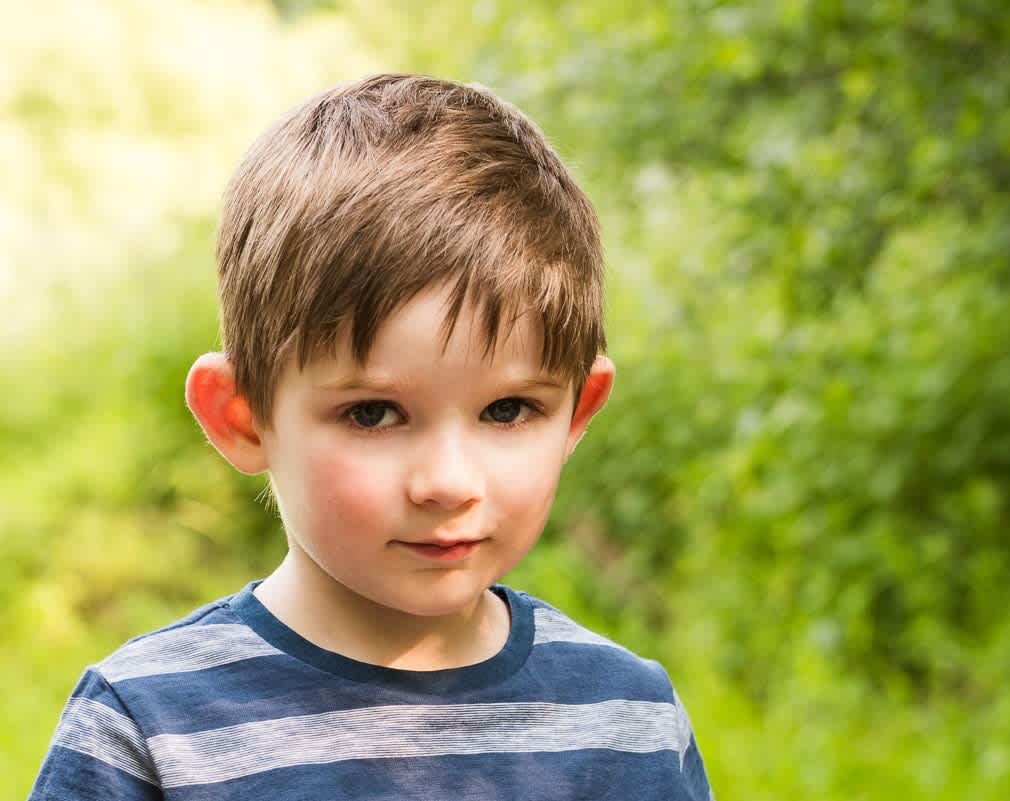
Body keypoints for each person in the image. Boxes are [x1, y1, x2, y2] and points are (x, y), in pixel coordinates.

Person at [27, 73, 713, 801]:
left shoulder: (628, 723)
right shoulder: (147, 729)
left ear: (579, 411)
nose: (449, 481)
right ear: (242, 416)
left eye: (509, 410)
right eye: (373, 414)